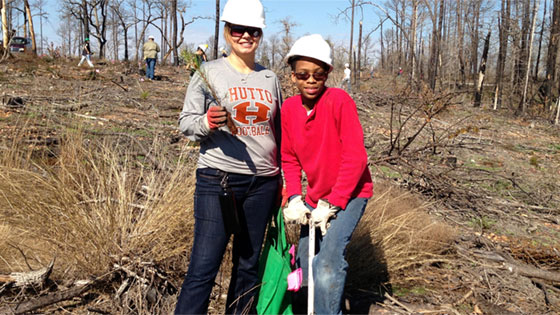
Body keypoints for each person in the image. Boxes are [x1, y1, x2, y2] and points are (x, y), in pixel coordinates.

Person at [175, 0, 282, 313]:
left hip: (264, 183)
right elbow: (186, 123)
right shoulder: (208, 72)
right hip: (218, 180)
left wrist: (285, 179)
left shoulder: (270, 78)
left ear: (260, 33)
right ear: (227, 32)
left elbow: (278, 131)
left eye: (253, 30)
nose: (246, 35)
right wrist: (207, 122)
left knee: (248, 267)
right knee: (204, 268)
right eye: (238, 29)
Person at [282, 34, 373, 315]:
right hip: (316, 195)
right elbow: (289, 158)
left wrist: (333, 203)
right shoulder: (288, 109)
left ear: (328, 74)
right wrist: (295, 196)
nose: (310, 80)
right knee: (308, 262)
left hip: (351, 192)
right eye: (303, 74)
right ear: (293, 75)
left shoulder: (339, 100)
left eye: (318, 74)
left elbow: (356, 158)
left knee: (327, 263)